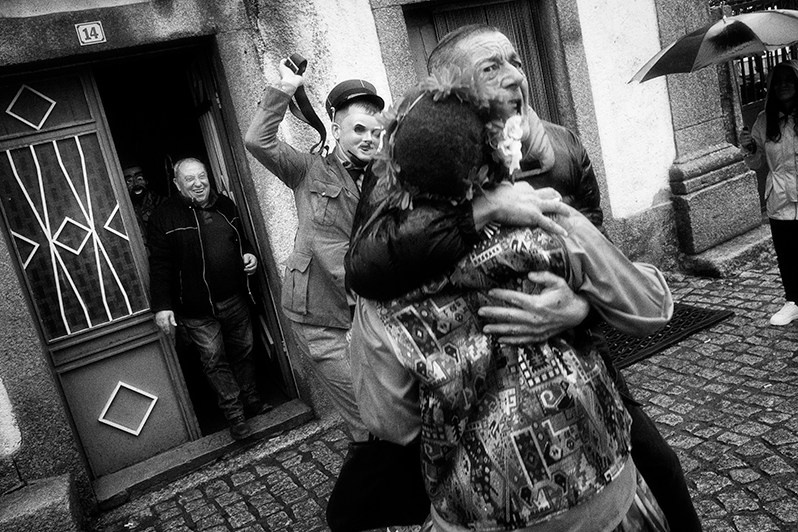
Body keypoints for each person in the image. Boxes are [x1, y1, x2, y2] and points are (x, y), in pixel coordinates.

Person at [346, 24, 702, 531]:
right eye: (491, 67)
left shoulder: (561, 145)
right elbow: (366, 265)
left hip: (585, 377)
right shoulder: (398, 176)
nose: (515, 75)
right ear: (449, 92)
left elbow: (605, 255)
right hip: (504, 484)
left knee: (663, 467)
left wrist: (579, 306)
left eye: (515, 59)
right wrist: (485, 208)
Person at [243, 58, 387, 441]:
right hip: (321, 317)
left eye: (376, 131)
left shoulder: (387, 177)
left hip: (371, 314)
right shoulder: (308, 170)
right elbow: (258, 141)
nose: (369, 138)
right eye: (358, 129)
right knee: (367, 422)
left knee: (390, 413)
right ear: (336, 130)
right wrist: (285, 89)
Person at [148, 157, 270, 441]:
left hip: (234, 298)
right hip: (195, 308)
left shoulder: (226, 205)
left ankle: (252, 401)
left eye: (202, 176)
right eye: (190, 179)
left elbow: (242, 240)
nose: (198, 183)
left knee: (245, 350)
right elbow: (160, 265)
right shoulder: (164, 217)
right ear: (178, 184)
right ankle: (236, 416)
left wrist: (250, 254)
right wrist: (162, 306)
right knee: (214, 359)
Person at [740, 59, 798, 326]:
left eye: (789, 80)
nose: (784, 86)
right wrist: (750, 148)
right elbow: (756, 163)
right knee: (786, 252)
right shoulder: (764, 122)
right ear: (771, 88)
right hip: (779, 195)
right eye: (779, 82)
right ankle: (793, 301)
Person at [123, 164, 164, 245]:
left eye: (139, 178)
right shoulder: (125, 210)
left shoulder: (161, 203)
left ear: (146, 180)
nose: (135, 184)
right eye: (129, 181)